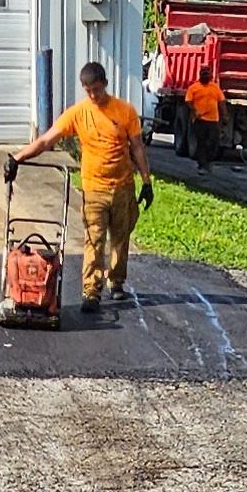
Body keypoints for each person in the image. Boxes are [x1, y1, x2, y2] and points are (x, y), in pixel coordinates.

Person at [10, 60, 153, 312]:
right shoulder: (78, 113)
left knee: (121, 238)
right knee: (94, 240)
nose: (93, 95)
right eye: (87, 91)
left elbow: (138, 147)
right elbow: (45, 140)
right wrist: (17, 158)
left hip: (123, 187)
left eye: (96, 89)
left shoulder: (124, 111)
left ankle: (116, 282)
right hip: (93, 189)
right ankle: (91, 292)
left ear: (105, 84)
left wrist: (146, 181)